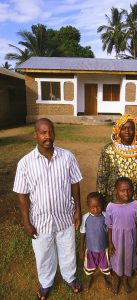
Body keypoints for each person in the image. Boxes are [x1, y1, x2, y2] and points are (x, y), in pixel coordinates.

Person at [13, 118, 82, 300]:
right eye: (43, 132)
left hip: (64, 216)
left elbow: (75, 184)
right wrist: (26, 221)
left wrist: (77, 210)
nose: (48, 136)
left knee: (67, 249)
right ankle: (46, 283)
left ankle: (70, 277)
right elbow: (22, 196)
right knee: (43, 254)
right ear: (35, 135)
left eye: (50, 132)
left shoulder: (67, 157)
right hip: (40, 220)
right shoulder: (25, 163)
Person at [97, 113, 137, 204]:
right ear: (118, 130)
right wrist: (100, 197)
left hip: (135, 197)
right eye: (124, 128)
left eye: (131, 128)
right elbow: (102, 175)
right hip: (114, 198)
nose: (127, 131)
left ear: (136, 131)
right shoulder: (109, 149)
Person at [105, 177, 137, 294]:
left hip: (131, 241)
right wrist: (110, 243)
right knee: (117, 260)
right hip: (116, 241)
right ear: (116, 191)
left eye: (129, 190)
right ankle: (117, 280)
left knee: (128, 260)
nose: (126, 193)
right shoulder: (111, 206)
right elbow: (109, 226)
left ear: (133, 190)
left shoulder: (136, 205)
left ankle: (125, 280)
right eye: (122, 190)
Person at [80, 192, 111, 290]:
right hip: (90, 249)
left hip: (103, 248)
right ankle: (89, 278)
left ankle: (104, 278)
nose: (96, 209)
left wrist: (110, 245)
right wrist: (81, 248)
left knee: (104, 265)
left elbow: (109, 231)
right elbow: (82, 233)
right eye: (92, 207)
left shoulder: (106, 216)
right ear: (88, 206)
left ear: (102, 205)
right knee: (89, 266)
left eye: (98, 206)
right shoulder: (85, 218)